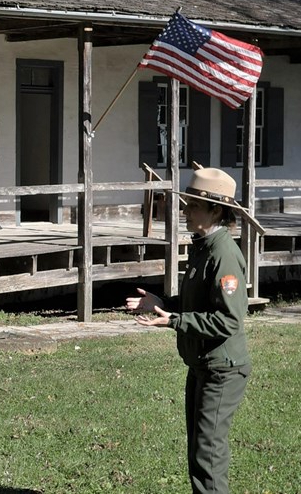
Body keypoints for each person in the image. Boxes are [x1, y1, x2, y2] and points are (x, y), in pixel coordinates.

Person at [126, 167, 258, 494]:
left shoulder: (224, 254)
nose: (185, 211)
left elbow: (228, 321)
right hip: (201, 365)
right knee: (199, 454)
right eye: (186, 204)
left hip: (221, 370)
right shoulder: (203, 246)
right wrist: (164, 303)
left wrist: (172, 320)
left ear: (216, 210)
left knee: (208, 458)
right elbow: (195, 303)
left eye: (193, 206)